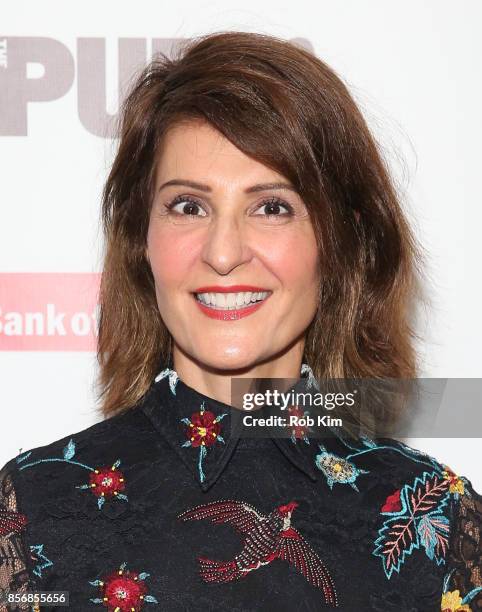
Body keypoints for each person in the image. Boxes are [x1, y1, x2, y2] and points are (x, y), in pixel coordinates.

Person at [0, 30, 480, 612]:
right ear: (141, 240)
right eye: (189, 206)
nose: (223, 253)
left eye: (272, 207)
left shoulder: (435, 520)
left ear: (339, 242)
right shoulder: (35, 508)